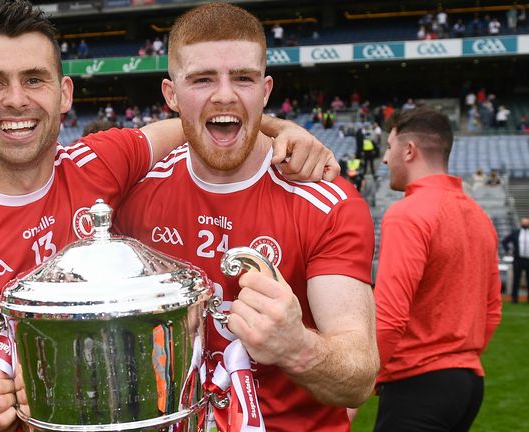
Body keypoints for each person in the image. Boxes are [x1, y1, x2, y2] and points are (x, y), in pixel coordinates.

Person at [0, 2, 337, 431]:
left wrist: (286, 130)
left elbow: (206, 117)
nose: (15, 100)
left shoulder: (101, 162)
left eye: (34, 80)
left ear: (64, 94)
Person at [114, 4, 378, 430]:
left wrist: (297, 348)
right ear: (171, 94)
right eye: (202, 79)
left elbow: (359, 375)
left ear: (266, 90)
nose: (224, 95)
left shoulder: (327, 203)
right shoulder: (133, 197)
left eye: (243, 78)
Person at [372, 107, 502, 431]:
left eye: (389, 148)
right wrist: (458, 358)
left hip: (417, 385)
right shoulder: (479, 216)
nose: (386, 159)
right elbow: (493, 311)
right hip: (468, 384)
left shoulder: (407, 215)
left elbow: (390, 317)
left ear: (409, 151)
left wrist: (362, 378)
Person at [502, 217, 529, 304]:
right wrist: (509, 251)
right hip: (518, 259)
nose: (525, 224)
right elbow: (505, 241)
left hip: (528, 259)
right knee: (516, 279)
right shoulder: (516, 232)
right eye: (524, 222)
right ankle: (514, 299)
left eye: (527, 223)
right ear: (521, 223)